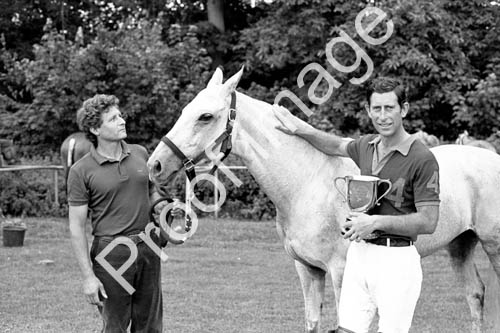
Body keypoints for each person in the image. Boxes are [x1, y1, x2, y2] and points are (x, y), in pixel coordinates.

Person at [272, 77, 440, 333]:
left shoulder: (422, 158)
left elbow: (429, 221)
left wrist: (375, 222)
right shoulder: (367, 146)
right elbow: (335, 144)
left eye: (389, 108)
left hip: (396, 260)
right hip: (359, 256)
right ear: (368, 110)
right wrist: (300, 128)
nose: (382, 116)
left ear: (403, 110)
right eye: (377, 109)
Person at [68, 94, 171, 333]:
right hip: (111, 253)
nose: (122, 121)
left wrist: (163, 206)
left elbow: (151, 192)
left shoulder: (141, 153)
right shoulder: (81, 170)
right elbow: (76, 227)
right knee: (115, 327)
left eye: (120, 115)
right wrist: (88, 277)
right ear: (95, 128)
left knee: (151, 326)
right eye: (113, 119)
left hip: (148, 246)